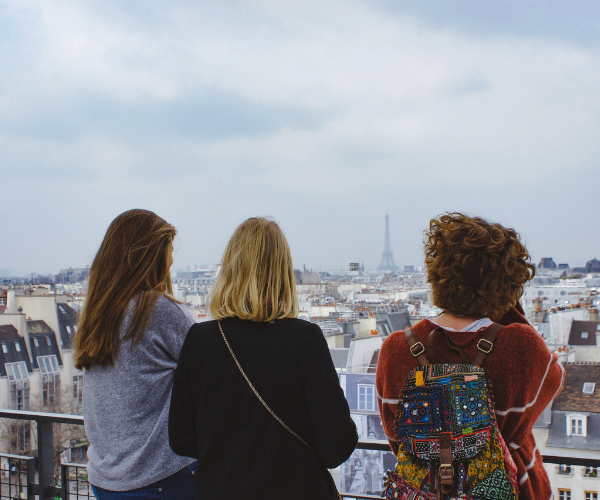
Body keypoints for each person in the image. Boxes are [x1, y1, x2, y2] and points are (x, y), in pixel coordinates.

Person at [376, 213, 564, 500]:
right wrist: (510, 312)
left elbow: (396, 440)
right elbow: (554, 380)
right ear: (508, 285)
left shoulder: (396, 349)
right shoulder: (521, 346)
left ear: (437, 274)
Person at [169, 217, 358, 500]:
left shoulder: (200, 339)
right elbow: (337, 445)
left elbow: (181, 438)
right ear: (282, 272)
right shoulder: (304, 339)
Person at [74, 209, 198, 500]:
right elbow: (212, 371)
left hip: (107, 479)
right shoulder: (158, 311)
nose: (171, 261)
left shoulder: (98, 312)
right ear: (150, 257)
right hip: (160, 478)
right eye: (168, 252)